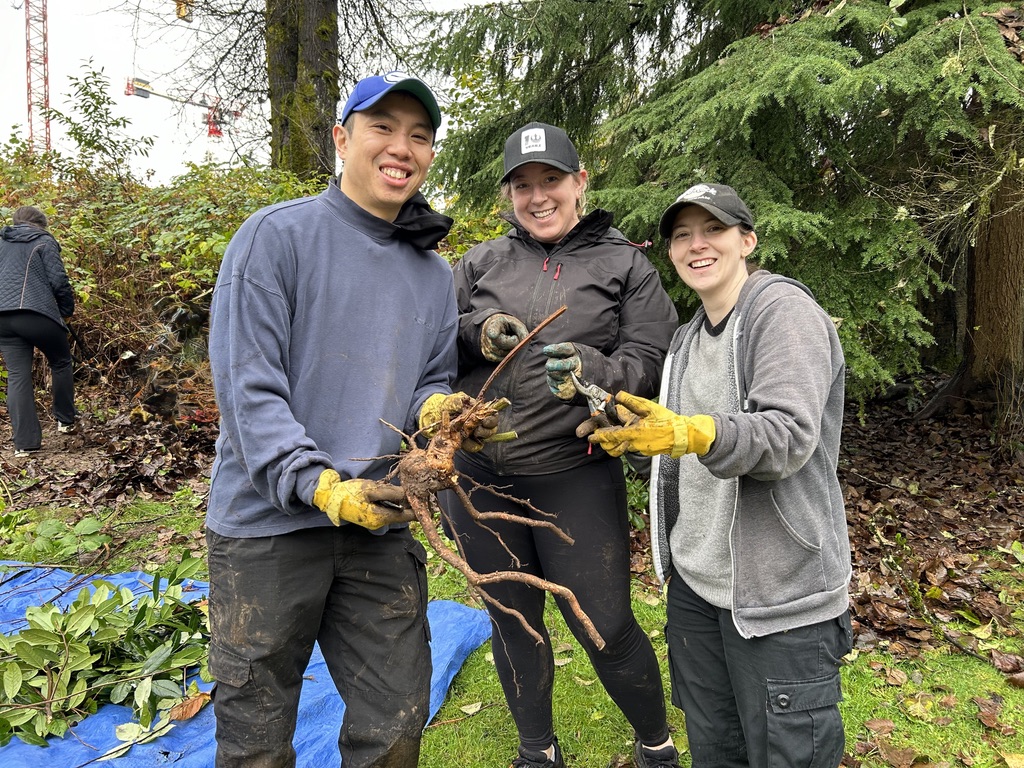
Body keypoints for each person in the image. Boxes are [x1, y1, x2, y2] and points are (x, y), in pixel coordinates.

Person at [205, 71, 496, 768]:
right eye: (383, 128)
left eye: (419, 136)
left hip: (379, 526)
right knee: (256, 734)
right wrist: (322, 485)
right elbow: (249, 390)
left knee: (396, 718)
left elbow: (424, 377)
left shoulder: (431, 272)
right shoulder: (278, 238)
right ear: (342, 138)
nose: (402, 147)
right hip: (267, 528)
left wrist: (439, 411)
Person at [588, 183, 853, 767]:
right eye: (682, 235)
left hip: (778, 594)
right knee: (716, 750)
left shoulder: (781, 312)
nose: (696, 245)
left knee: (787, 756)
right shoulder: (685, 339)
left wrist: (697, 432)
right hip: (696, 589)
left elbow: (787, 437)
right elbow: (674, 454)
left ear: (747, 240)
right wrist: (630, 432)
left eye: (713, 230)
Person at [444, 122, 681, 768]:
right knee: (514, 622)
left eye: (551, 180)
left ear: (580, 182)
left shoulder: (625, 264)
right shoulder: (482, 262)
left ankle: (656, 746)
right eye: (523, 184)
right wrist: (480, 332)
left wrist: (594, 371)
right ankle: (537, 752)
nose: (538, 195)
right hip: (477, 479)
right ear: (509, 196)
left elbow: (653, 357)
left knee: (604, 626)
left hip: (572, 474)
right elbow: (435, 335)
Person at [0, 205, 77, 457]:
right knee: (61, 361)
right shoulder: (44, 241)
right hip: (36, 314)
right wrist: (66, 310)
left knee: (17, 376)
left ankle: (25, 444)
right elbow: (59, 281)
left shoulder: (1, 241)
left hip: (2, 318)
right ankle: (65, 420)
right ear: (41, 224)